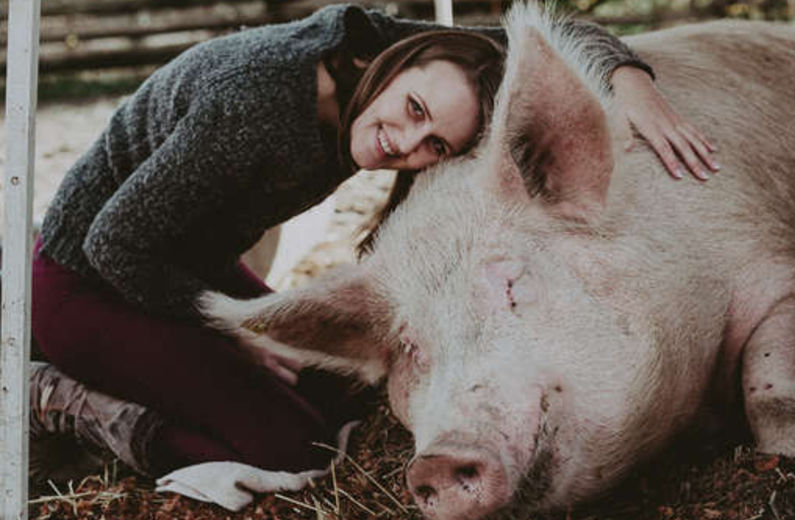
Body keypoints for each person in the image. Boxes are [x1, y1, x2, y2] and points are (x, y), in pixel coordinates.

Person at [29, 4, 718, 480]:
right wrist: (234, 336)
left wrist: (631, 80)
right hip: (80, 283)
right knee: (290, 451)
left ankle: (163, 376)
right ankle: (71, 403)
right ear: (396, 65)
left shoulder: (391, 52)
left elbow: (547, 31)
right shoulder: (258, 107)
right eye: (413, 111)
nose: (405, 143)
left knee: (340, 391)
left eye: (435, 144)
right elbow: (113, 242)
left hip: (178, 264)